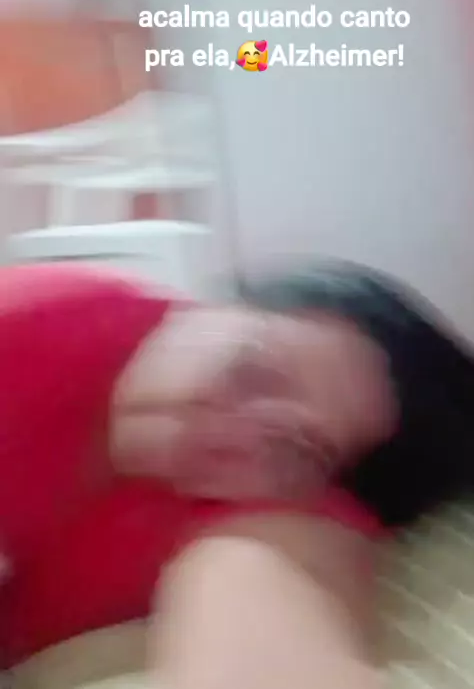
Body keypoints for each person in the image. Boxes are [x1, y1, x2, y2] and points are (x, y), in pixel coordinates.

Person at [2, 260, 474, 688]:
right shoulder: (40, 319)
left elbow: (271, 632)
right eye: (254, 373)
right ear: (202, 313)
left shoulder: (271, 514)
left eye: (294, 449)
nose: (233, 435)